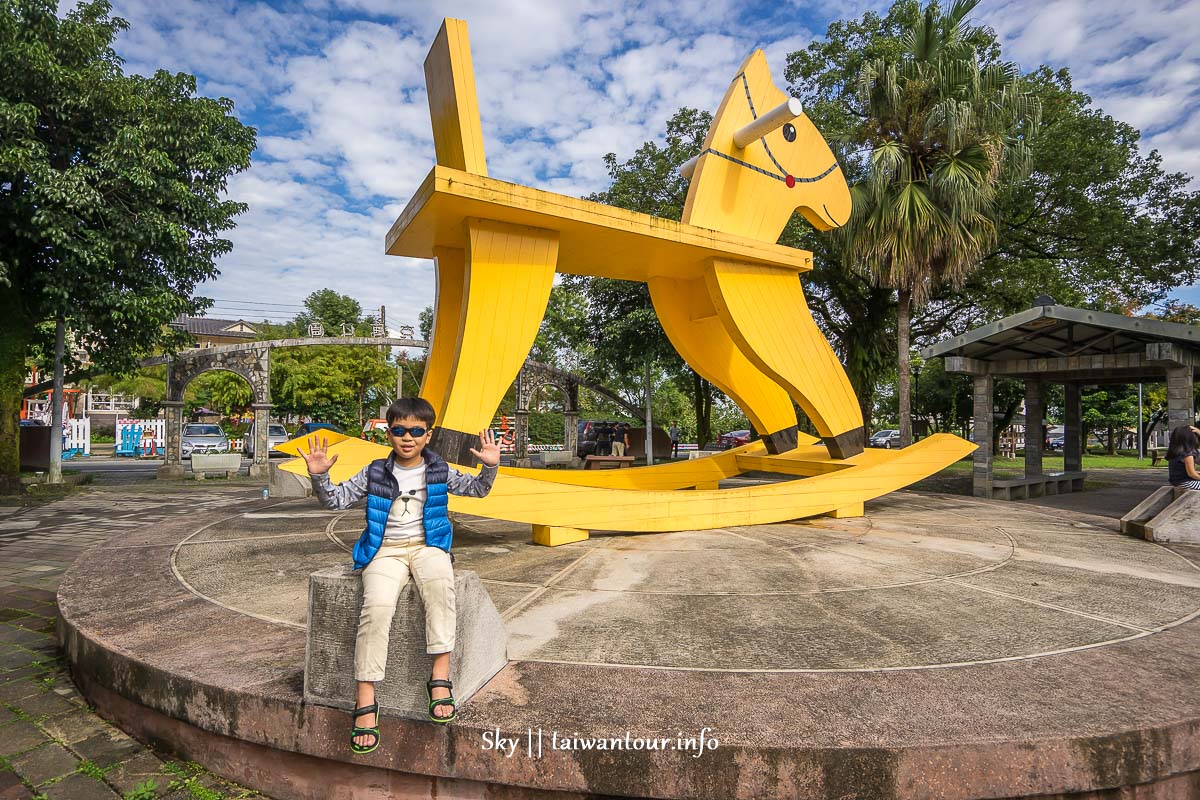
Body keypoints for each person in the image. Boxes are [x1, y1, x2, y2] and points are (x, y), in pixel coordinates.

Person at [302, 397, 499, 754]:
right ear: (388, 433)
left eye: (416, 431)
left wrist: (489, 468)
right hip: (384, 550)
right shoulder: (375, 471)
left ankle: (439, 678)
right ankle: (366, 697)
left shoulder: (439, 469)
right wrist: (319, 476)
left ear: (428, 434)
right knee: (375, 607)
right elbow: (336, 500)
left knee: (441, 588)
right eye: (399, 430)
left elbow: (477, 489)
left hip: (429, 546)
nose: (407, 437)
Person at [1166, 424, 1200, 489]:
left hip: (1177, 482)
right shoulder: (1187, 454)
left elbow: (1183, 471)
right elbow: (1191, 474)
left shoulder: (1177, 452)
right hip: (1187, 483)